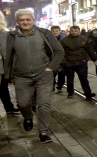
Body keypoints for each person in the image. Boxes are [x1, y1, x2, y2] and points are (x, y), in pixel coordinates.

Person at [4, 9, 64, 143]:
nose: (25, 22)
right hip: (21, 76)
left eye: (28, 19)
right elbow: (8, 56)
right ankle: (28, 117)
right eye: (22, 20)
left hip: (44, 74)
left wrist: (51, 68)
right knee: (22, 103)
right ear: (17, 22)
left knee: (44, 104)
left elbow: (59, 51)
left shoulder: (45, 33)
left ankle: (43, 132)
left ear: (33, 20)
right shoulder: (11, 36)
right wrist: (10, 75)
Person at [60, 25, 97, 100]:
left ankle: (88, 93)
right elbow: (61, 52)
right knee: (70, 79)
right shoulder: (64, 40)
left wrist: (86, 59)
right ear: (70, 31)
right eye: (72, 31)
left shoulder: (83, 39)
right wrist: (65, 62)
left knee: (84, 79)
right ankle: (70, 92)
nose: (74, 32)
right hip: (69, 63)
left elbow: (87, 50)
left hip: (81, 62)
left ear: (79, 31)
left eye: (76, 31)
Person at [50, 26, 66, 93]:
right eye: (53, 31)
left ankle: (59, 86)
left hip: (62, 60)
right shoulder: (48, 39)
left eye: (56, 31)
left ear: (59, 31)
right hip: (52, 61)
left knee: (61, 75)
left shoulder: (64, 39)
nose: (55, 32)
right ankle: (52, 86)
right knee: (52, 75)